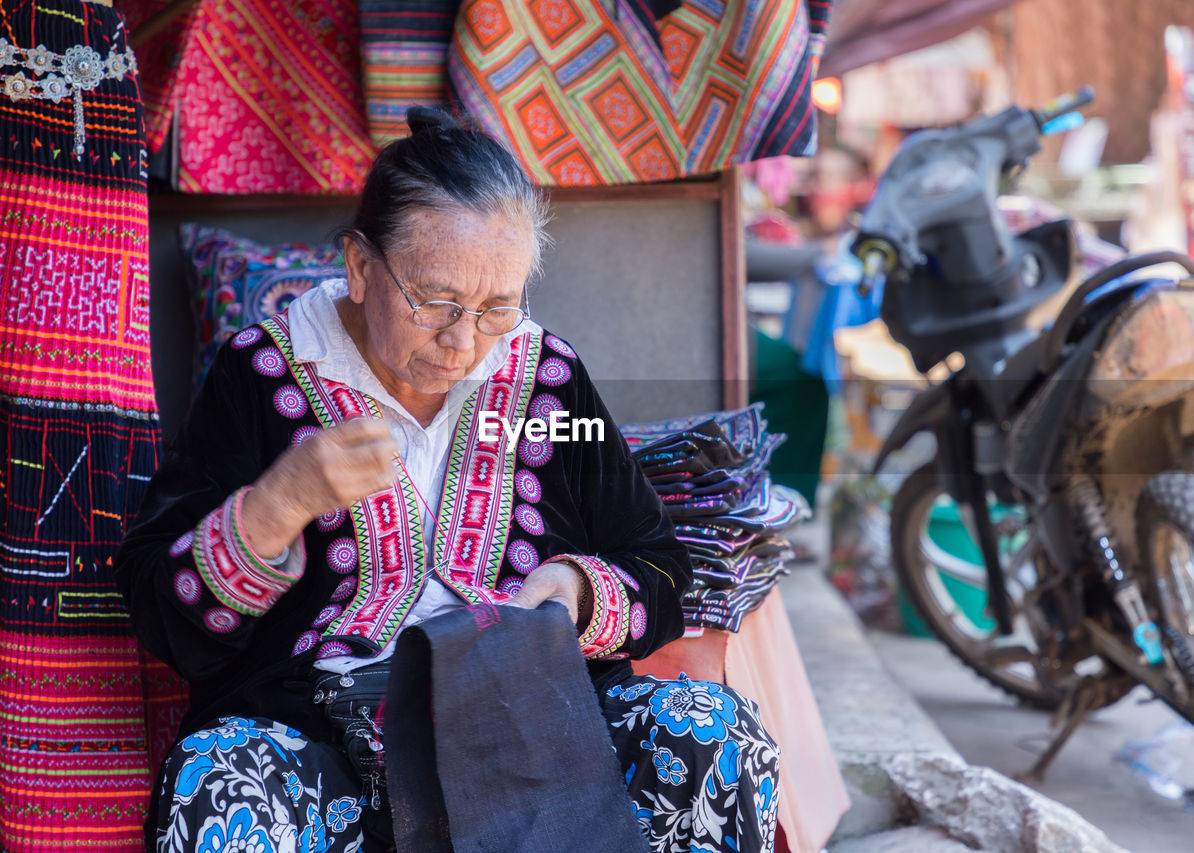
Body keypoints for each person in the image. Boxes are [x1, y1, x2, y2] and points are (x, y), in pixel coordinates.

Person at [115, 107, 780, 853]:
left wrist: (576, 587)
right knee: (217, 778)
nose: (464, 341)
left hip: (535, 734)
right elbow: (158, 611)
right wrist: (279, 504)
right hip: (328, 744)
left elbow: (657, 564)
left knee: (713, 730)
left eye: (498, 306)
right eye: (436, 302)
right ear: (361, 268)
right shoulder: (263, 376)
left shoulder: (545, 382)